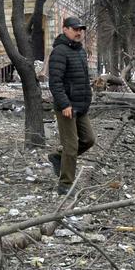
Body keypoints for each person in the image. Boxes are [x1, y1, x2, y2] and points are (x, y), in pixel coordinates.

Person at [47, 16, 94, 194]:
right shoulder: (59, 51)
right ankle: (65, 184)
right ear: (65, 29)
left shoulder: (80, 51)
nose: (78, 32)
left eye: (81, 29)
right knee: (71, 146)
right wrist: (65, 104)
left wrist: (87, 99)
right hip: (67, 107)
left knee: (89, 139)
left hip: (81, 105)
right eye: (75, 29)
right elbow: (55, 82)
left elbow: (82, 78)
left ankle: (58, 158)